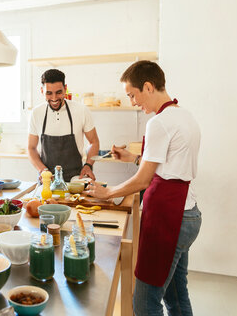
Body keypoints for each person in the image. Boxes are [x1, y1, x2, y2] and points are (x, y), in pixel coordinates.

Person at [86, 61, 202, 315]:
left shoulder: (158, 123)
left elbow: (143, 181)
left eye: (132, 95)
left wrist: (107, 192)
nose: (133, 102)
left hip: (169, 219)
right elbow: (170, 167)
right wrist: (133, 158)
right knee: (176, 296)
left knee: (145, 303)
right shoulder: (184, 115)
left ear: (147, 87)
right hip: (189, 214)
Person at [28, 69, 100, 182]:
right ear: (42, 91)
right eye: (49, 93)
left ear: (65, 89)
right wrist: (42, 170)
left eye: (59, 92)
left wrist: (88, 165)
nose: (54, 98)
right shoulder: (36, 113)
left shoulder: (81, 110)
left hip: (76, 180)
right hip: (48, 181)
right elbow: (31, 148)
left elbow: (94, 142)